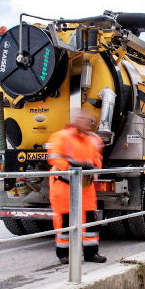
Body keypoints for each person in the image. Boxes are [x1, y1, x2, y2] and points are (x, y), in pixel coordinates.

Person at [46, 112, 107, 264]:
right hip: (63, 184)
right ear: (74, 121)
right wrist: (75, 166)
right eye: (82, 119)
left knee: (90, 219)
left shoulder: (93, 139)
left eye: (87, 120)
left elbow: (98, 158)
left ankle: (91, 253)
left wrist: (93, 169)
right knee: (64, 220)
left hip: (85, 185)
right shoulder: (61, 136)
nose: (86, 123)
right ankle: (64, 254)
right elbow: (54, 157)